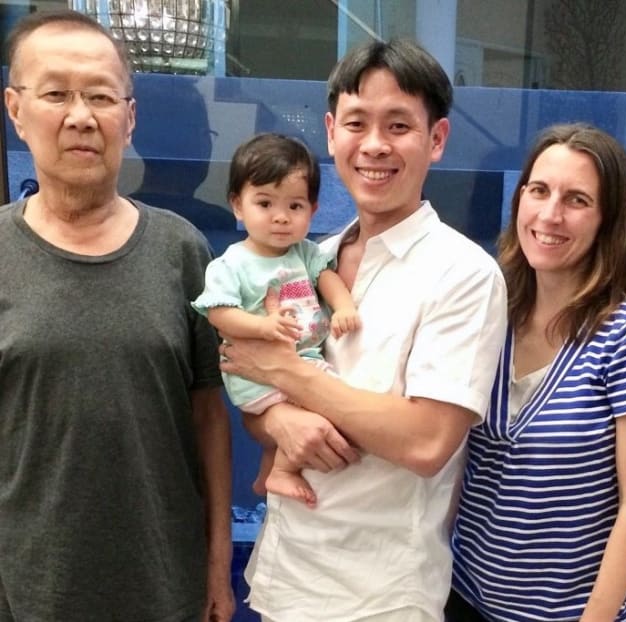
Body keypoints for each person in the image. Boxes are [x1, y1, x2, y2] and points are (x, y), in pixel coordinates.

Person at [219, 38, 508, 621]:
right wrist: (275, 414)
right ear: (330, 132)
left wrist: (286, 373)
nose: (374, 145)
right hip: (282, 576)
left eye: (399, 124)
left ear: (438, 139)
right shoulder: (309, 257)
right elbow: (246, 379)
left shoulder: (464, 274)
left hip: (377, 598)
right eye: (357, 122)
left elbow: (427, 443)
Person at [0, 10, 234, 621]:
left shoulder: (182, 250)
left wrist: (216, 570)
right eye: (55, 94)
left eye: (101, 96)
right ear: (16, 109)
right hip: (28, 591)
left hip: (165, 586)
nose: (81, 116)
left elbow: (210, 419)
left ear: (128, 118)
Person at [447, 123, 626, 622]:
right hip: (464, 596)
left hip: (571, 614)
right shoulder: (492, 312)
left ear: (608, 220)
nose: (550, 214)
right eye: (539, 191)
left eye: (577, 199)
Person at [192, 132, 360, 507]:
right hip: (257, 370)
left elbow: (326, 278)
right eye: (265, 203)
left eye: (295, 206)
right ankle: (282, 472)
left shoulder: (306, 252)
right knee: (327, 406)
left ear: (313, 210)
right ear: (238, 205)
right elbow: (220, 314)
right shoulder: (231, 264)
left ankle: (269, 470)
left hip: (300, 360)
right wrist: (263, 328)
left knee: (314, 406)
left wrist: (344, 306)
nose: (281, 217)